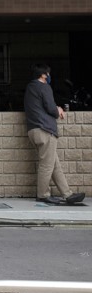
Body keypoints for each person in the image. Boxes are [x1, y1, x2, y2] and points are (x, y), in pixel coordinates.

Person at [23, 63, 85, 205]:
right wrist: (58, 110)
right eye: (48, 73)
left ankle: (67, 194)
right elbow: (51, 108)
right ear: (43, 75)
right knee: (47, 165)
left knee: (54, 164)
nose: (49, 76)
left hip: (33, 130)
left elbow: (39, 106)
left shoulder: (30, 87)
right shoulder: (44, 87)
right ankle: (43, 195)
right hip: (45, 131)